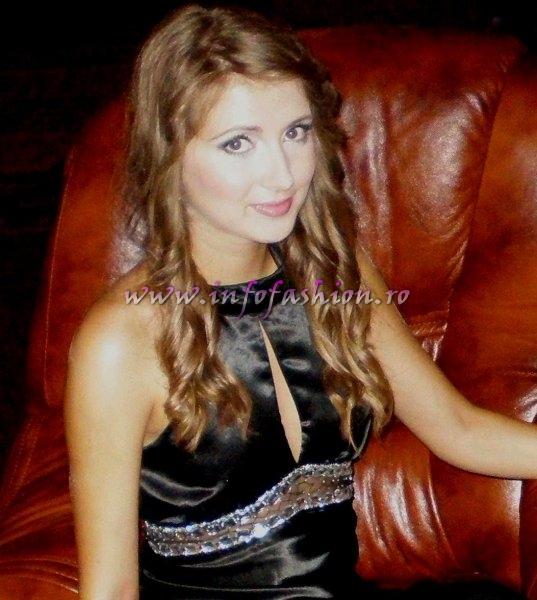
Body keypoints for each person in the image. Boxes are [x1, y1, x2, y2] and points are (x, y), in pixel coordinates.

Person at [63, 4, 537, 599]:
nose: (282, 175)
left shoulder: (335, 272)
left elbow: (460, 430)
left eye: (296, 132)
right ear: (169, 154)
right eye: (238, 144)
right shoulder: (119, 342)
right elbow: (109, 588)